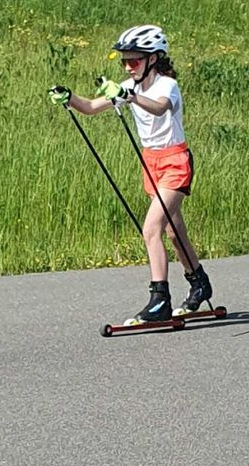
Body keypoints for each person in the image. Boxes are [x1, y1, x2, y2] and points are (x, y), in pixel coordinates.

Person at [49, 24, 212, 323]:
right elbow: (89, 107)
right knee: (173, 232)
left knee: (151, 228)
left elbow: (160, 108)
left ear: (153, 58)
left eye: (133, 60)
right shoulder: (130, 86)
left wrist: (129, 96)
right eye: (124, 61)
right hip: (151, 163)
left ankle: (159, 299)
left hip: (175, 161)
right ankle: (199, 283)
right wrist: (69, 97)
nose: (127, 66)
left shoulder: (166, 85)